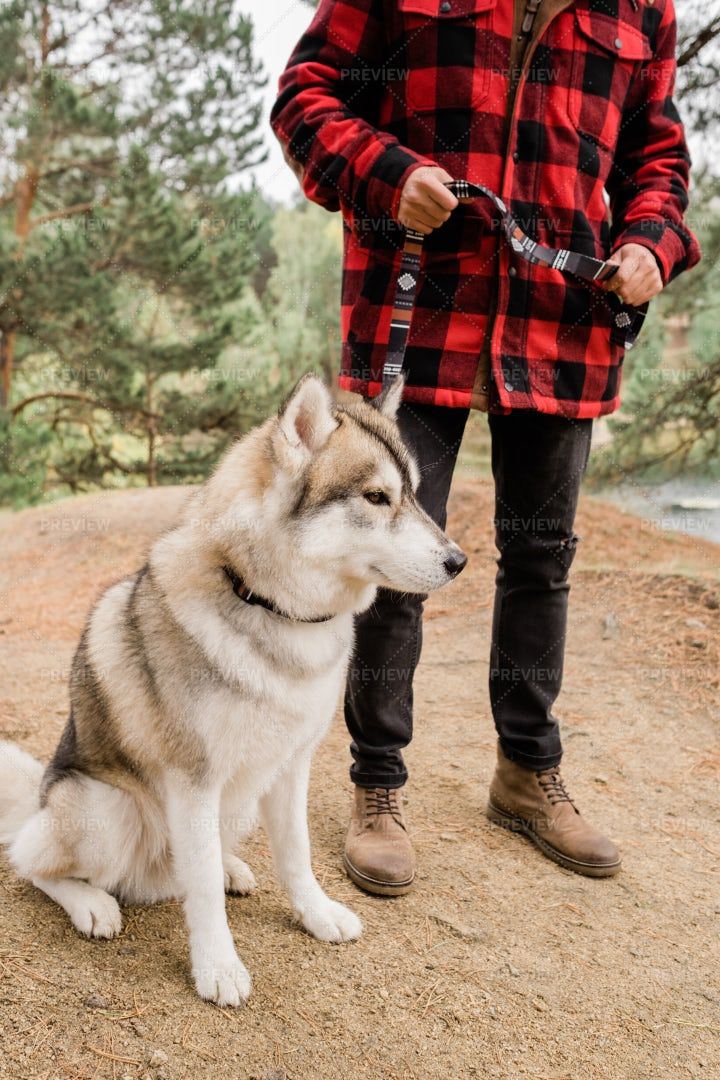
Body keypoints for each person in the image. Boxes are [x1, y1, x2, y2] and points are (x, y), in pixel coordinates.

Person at [271, 0, 700, 894]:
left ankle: (526, 773)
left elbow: (656, 158)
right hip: (420, 310)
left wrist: (652, 243)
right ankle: (377, 785)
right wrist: (387, 173)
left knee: (543, 557)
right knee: (391, 555)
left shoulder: (642, 10)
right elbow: (306, 99)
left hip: (564, 327)